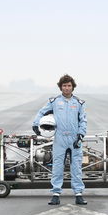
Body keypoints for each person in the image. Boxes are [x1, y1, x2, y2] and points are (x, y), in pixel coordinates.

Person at [32, 74, 87, 205]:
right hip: (60, 138)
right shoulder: (54, 102)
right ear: (60, 87)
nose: (67, 88)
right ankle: (56, 194)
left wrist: (80, 135)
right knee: (57, 167)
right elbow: (41, 112)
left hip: (75, 139)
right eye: (64, 86)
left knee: (76, 168)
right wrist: (36, 124)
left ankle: (78, 194)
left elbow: (83, 120)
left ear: (73, 87)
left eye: (69, 85)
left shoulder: (78, 103)